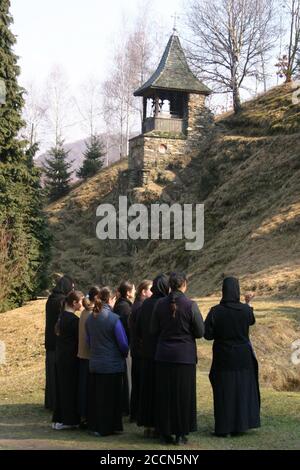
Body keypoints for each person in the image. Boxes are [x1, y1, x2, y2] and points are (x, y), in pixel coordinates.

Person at [151, 272, 204, 445]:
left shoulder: (159, 304)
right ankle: (181, 432)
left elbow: (153, 330)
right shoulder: (190, 305)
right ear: (184, 285)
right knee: (184, 395)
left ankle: (164, 432)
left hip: (163, 355)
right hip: (184, 357)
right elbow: (200, 332)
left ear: (169, 286)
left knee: (164, 395)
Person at [204, 277, 260, 437]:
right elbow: (251, 321)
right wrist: (248, 303)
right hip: (243, 356)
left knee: (224, 391)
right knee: (242, 390)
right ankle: (241, 425)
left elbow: (207, 335)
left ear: (223, 291)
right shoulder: (245, 310)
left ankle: (224, 428)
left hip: (223, 356)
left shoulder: (215, 311)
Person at [86, 287, 129, 436]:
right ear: (111, 300)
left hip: (95, 363)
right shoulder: (113, 319)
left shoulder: (91, 318)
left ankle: (96, 425)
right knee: (112, 398)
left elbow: (89, 341)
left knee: (98, 397)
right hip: (112, 365)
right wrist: (124, 354)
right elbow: (122, 343)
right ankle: (109, 427)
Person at [136, 274, 169, 438]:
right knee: (160, 390)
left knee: (147, 390)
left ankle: (147, 424)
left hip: (147, 352)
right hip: (162, 353)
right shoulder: (165, 303)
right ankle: (159, 424)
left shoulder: (146, 304)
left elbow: (138, 328)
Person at [52, 290, 84, 430]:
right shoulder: (73, 320)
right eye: (81, 301)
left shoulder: (62, 317)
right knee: (69, 390)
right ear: (75, 303)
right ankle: (68, 420)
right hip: (70, 359)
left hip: (62, 357)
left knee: (62, 389)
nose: (82, 303)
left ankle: (59, 418)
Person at [45, 275, 74, 410]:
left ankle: (51, 401)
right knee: (57, 373)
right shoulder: (61, 301)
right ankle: (57, 401)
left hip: (50, 340)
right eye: (71, 287)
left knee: (51, 374)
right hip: (57, 342)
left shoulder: (51, 299)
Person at [129, 280, 152, 422]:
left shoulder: (137, 306)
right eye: (151, 290)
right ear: (144, 291)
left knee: (137, 382)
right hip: (139, 350)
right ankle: (137, 413)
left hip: (136, 349)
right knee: (140, 383)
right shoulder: (140, 307)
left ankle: (135, 413)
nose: (153, 293)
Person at [77, 286, 101, 428]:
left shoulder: (84, 313)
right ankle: (88, 416)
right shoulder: (92, 314)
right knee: (90, 389)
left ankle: (83, 416)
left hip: (82, 354)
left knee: (83, 388)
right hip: (90, 356)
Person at [114, 281, 136, 416]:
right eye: (132, 290)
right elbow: (127, 328)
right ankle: (126, 407)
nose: (134, 292)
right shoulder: (125, 307)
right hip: (125, 346)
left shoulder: (121, 305)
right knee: (127, 378)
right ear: (128, 292)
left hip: (123, 345)